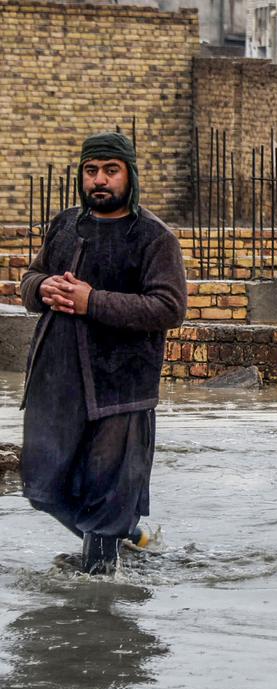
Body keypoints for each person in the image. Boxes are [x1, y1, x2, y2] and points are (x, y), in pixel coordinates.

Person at [18, 132, 187, 574]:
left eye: (111, 171)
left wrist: (93, 301)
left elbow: (169, 308)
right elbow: (31, 277)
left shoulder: (154, 237)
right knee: (40, 487)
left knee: (107, 497)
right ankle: (131, 536)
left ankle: (99, 605)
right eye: (91, 171)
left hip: (120, 389)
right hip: (57, 381)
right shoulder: (65, 224)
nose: (100, 180)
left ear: (130, 176)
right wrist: (41, 287)